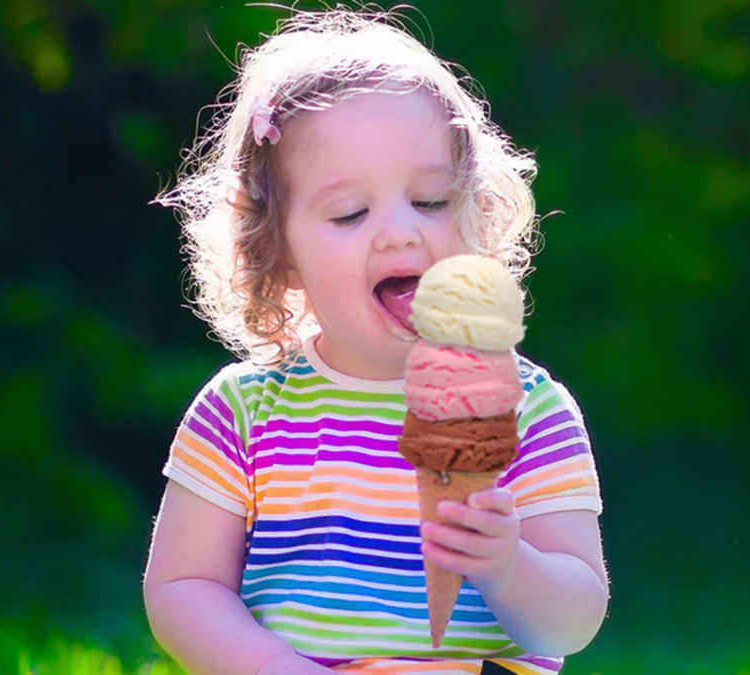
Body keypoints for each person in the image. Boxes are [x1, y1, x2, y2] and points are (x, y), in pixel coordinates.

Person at [143, 8, 608, 674]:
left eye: (430, 200)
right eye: (350, 213)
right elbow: (184, 588)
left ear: (478, 210)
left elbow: (575, 617)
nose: (399, 232)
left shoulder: (530, 409)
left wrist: (510, 565)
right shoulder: (244, 414)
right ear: (278, 251)